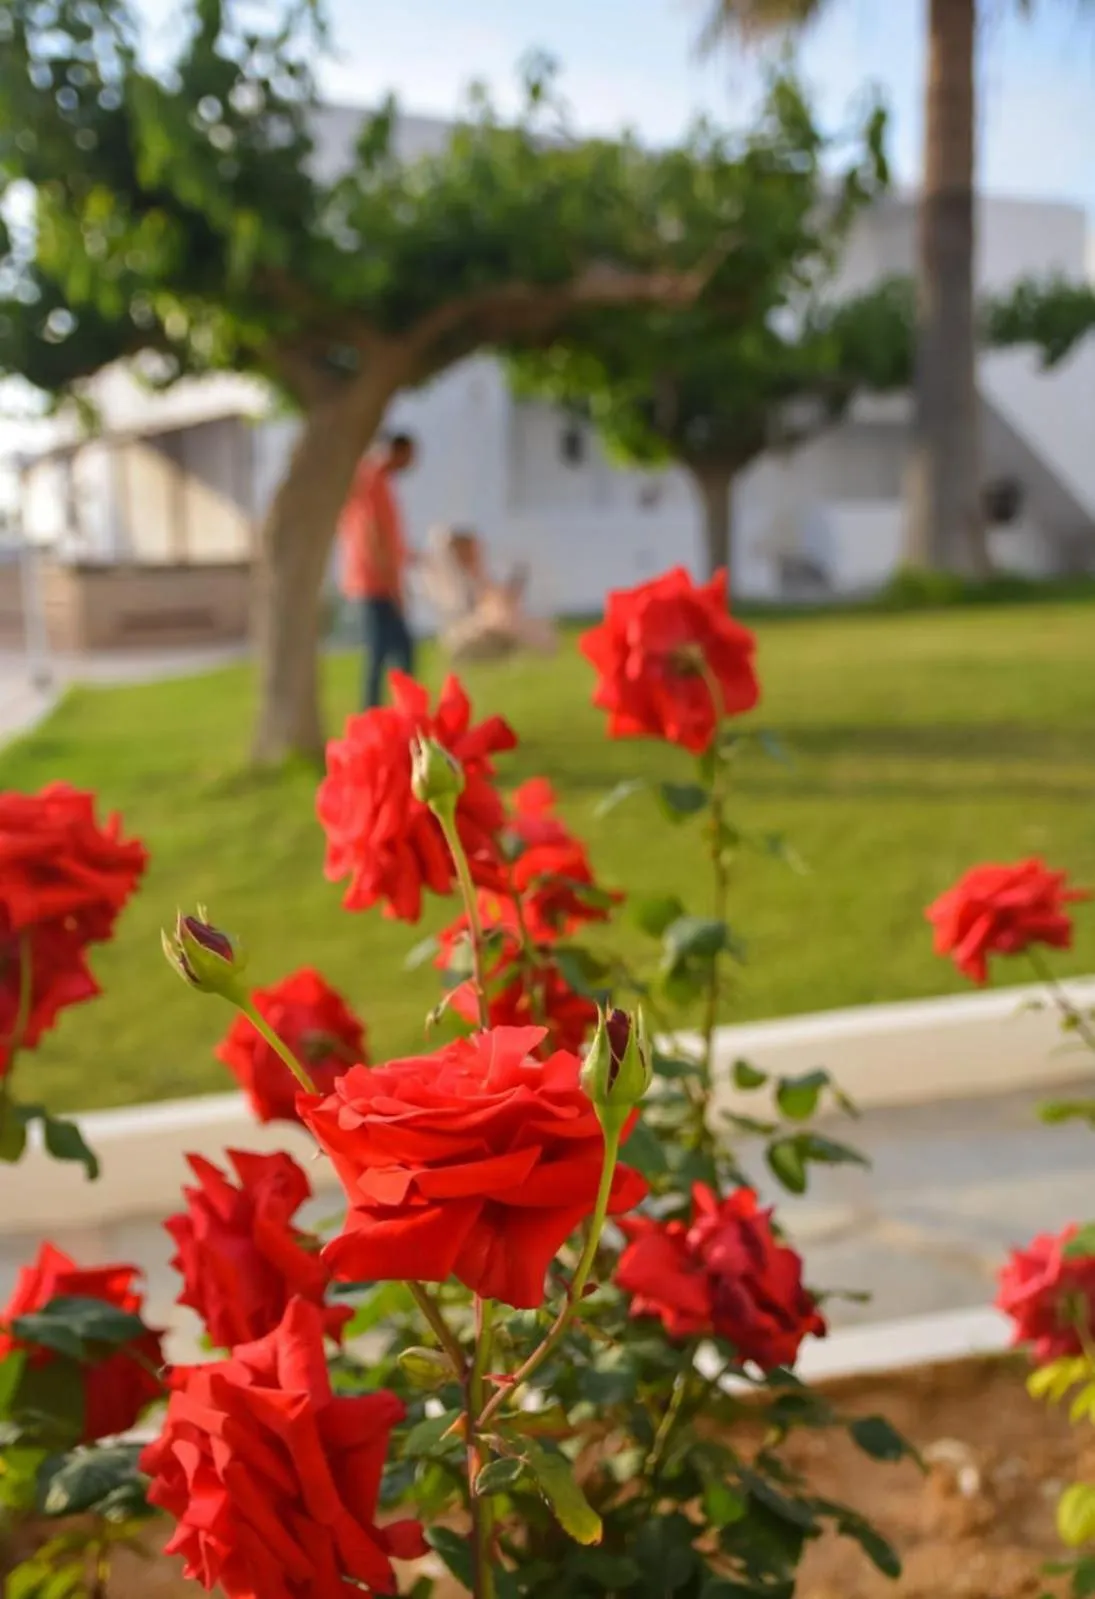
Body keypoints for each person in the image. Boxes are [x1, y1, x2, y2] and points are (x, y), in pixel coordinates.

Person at [338, 432, 417, 708]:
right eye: (409, 455)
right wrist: (393, 585)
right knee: (391, 652)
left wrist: (408, 557)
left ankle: (395, 714)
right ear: (397, 452)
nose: (412, 462)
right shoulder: (371, 482)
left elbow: (384, 537)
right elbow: (371, 539)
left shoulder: (375, 481)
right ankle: (394, 716)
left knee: (386, 653)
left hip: (375, 582)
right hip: (375, 585)